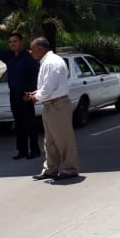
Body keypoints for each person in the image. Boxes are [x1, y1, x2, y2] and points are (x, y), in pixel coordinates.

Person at [0, 33, 41, 160]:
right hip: (14, 95)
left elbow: (35, 77)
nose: (12, 44)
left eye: (15, 41)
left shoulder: (28, 58)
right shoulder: (9, 57)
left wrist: (30, 92)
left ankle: (35, 150)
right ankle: (22, 151)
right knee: (19, 124)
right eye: (10, 42)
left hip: (26, 95)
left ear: (21, 42)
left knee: (29, 123)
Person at [25, 37, 79, 180]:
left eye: (32, 49)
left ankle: (70, 169)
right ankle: (50, 169)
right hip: (50, 104)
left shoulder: (51, 62)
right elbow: (47, 87)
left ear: (41, 49)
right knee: (50, 141)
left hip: (57, 105)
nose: (30, 52)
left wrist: (36, 97)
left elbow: (50, 87)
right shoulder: (48, 62)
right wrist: (36, 94)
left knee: (63, 139)